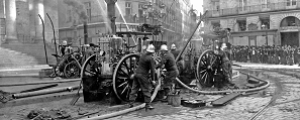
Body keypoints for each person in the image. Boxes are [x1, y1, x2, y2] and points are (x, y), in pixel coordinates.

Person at [129, 44, 156, 110]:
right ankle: (148, 105)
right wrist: (153, 79)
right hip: (143, 76)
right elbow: (152, 70)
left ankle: (131, 103)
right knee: (146, 89)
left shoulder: (142, 55)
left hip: (136, 74)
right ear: (152, 52)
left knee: (134, 89)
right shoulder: (150, 58)